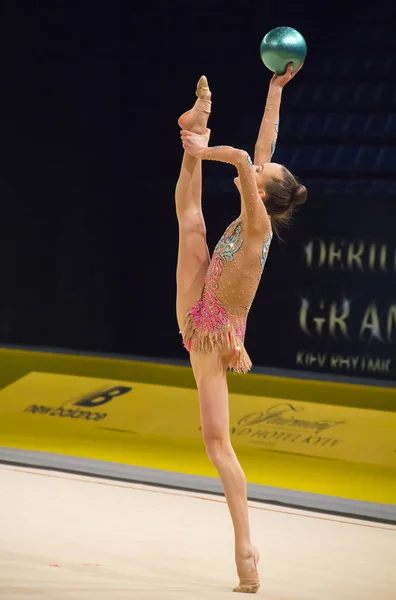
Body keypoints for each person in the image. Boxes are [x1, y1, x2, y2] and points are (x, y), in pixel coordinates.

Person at [175, 64, 306, 593]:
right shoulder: (261, 201)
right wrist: (274, 93)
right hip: (201, 299)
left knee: (216, 444)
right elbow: (262, 148)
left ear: (262, 196)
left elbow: (244, 158)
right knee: (192, 223)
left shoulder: (256, 223)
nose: (258, 172)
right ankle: (196, 128)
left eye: (259, 179)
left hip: (213, 332)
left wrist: (203, 151)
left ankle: (245, 549)